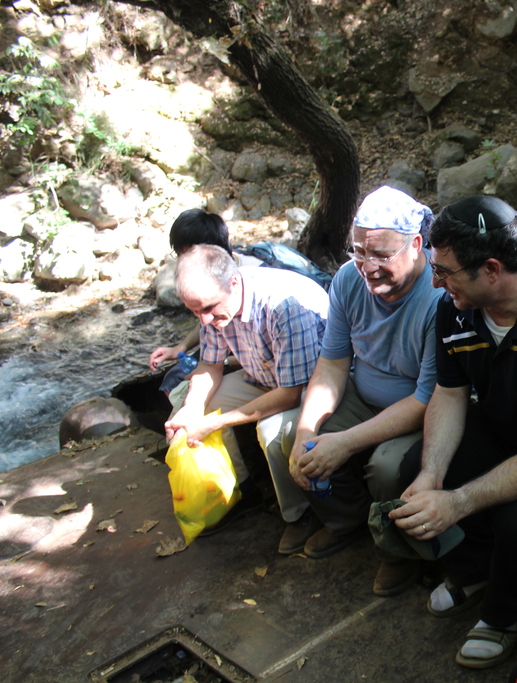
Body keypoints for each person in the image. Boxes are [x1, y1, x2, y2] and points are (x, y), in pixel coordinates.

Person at [388, 196, 517, 669]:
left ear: (492, 270)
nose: (435, 282)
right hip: (498, 424)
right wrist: (432, 474)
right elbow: (450, 393)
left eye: (444, 271)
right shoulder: (455, 308)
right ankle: (474, 569)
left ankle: (505, 614)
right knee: (416, 465)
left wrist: (458, 502)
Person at [282, 187, 442, 583]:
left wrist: (346, 442)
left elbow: (426, 399)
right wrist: (306, 432)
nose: (367, 267)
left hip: (415, 408)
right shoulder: (347, 280)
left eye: (381, 255)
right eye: (358, 252)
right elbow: (333, 363)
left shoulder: (440, 297)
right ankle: (346, 521)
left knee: (387, 468)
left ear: (416, 245)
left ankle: (399, 550)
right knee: (298, 439)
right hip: (361, 391)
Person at [165, 244, 329, 534]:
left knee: (272, 432)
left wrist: (216, 422)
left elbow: (290, 394)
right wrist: (192, 409)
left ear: (233, 282)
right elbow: (210, 366)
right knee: (191, 406)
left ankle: (300, 514)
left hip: (311, 386)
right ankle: (240, 491)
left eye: (208, 309)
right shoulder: (215, 303)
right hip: (265, 376)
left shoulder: (284, 306)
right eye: (195, 312)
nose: (204, 320)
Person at [148, 210, 265, 395]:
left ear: (208, 251)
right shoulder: (208, 289)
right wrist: (180, 348)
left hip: (257, 355)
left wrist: (224, 363)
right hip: (230, 345)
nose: (182, 262)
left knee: (182, 383)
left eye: (185, 253)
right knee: (173, 381)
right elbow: (209, 319)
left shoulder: (247, 277)